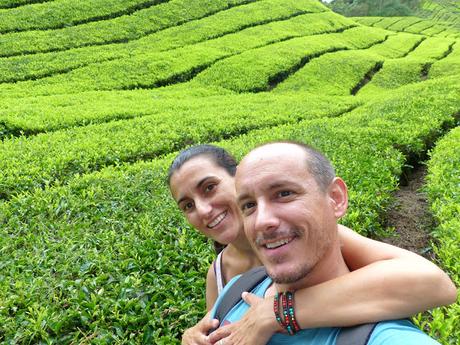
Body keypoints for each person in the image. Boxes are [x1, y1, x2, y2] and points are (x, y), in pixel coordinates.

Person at [167, 144, 456, 345]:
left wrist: (278, 312)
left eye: (283, 193)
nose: (204, 210)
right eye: (188, 205)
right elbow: (216, 322)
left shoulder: (326, 235)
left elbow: (433, 283)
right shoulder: (226, 278)